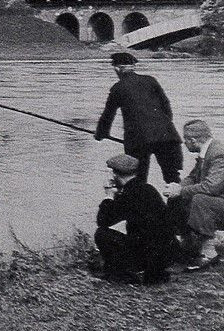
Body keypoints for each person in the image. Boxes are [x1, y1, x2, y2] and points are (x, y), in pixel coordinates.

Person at [94, 52, 182, 184]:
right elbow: (167, 108)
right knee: (172, 179)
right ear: (133, 67)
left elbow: (108, 115)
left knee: (137, 180)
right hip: (168, 136)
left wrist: (100, 134)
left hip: (138, 140)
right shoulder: (151, 80)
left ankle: (140, 204)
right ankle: (177, 204)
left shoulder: (118, 88)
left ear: (117, 68)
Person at [94, 154, 177, 284]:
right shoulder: (148, 188)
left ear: (115, 175)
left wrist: (109, 195)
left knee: (102, 234)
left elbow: (103, 221)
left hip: (148, 255)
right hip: (166, 253)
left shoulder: (128, 193)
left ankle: (121, 274)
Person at [164, 120, 224, 270]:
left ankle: (207, 249)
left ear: (193, 140)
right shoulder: (207, 151)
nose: (184, 143)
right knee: (177, 197)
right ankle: (187, 241)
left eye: (185, 140)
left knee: (200, 199)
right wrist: (177, 187)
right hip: (219, 200)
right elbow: (193, 177)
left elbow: (211, 187)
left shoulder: (218, 154)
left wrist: (181, 191)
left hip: (218, 200)